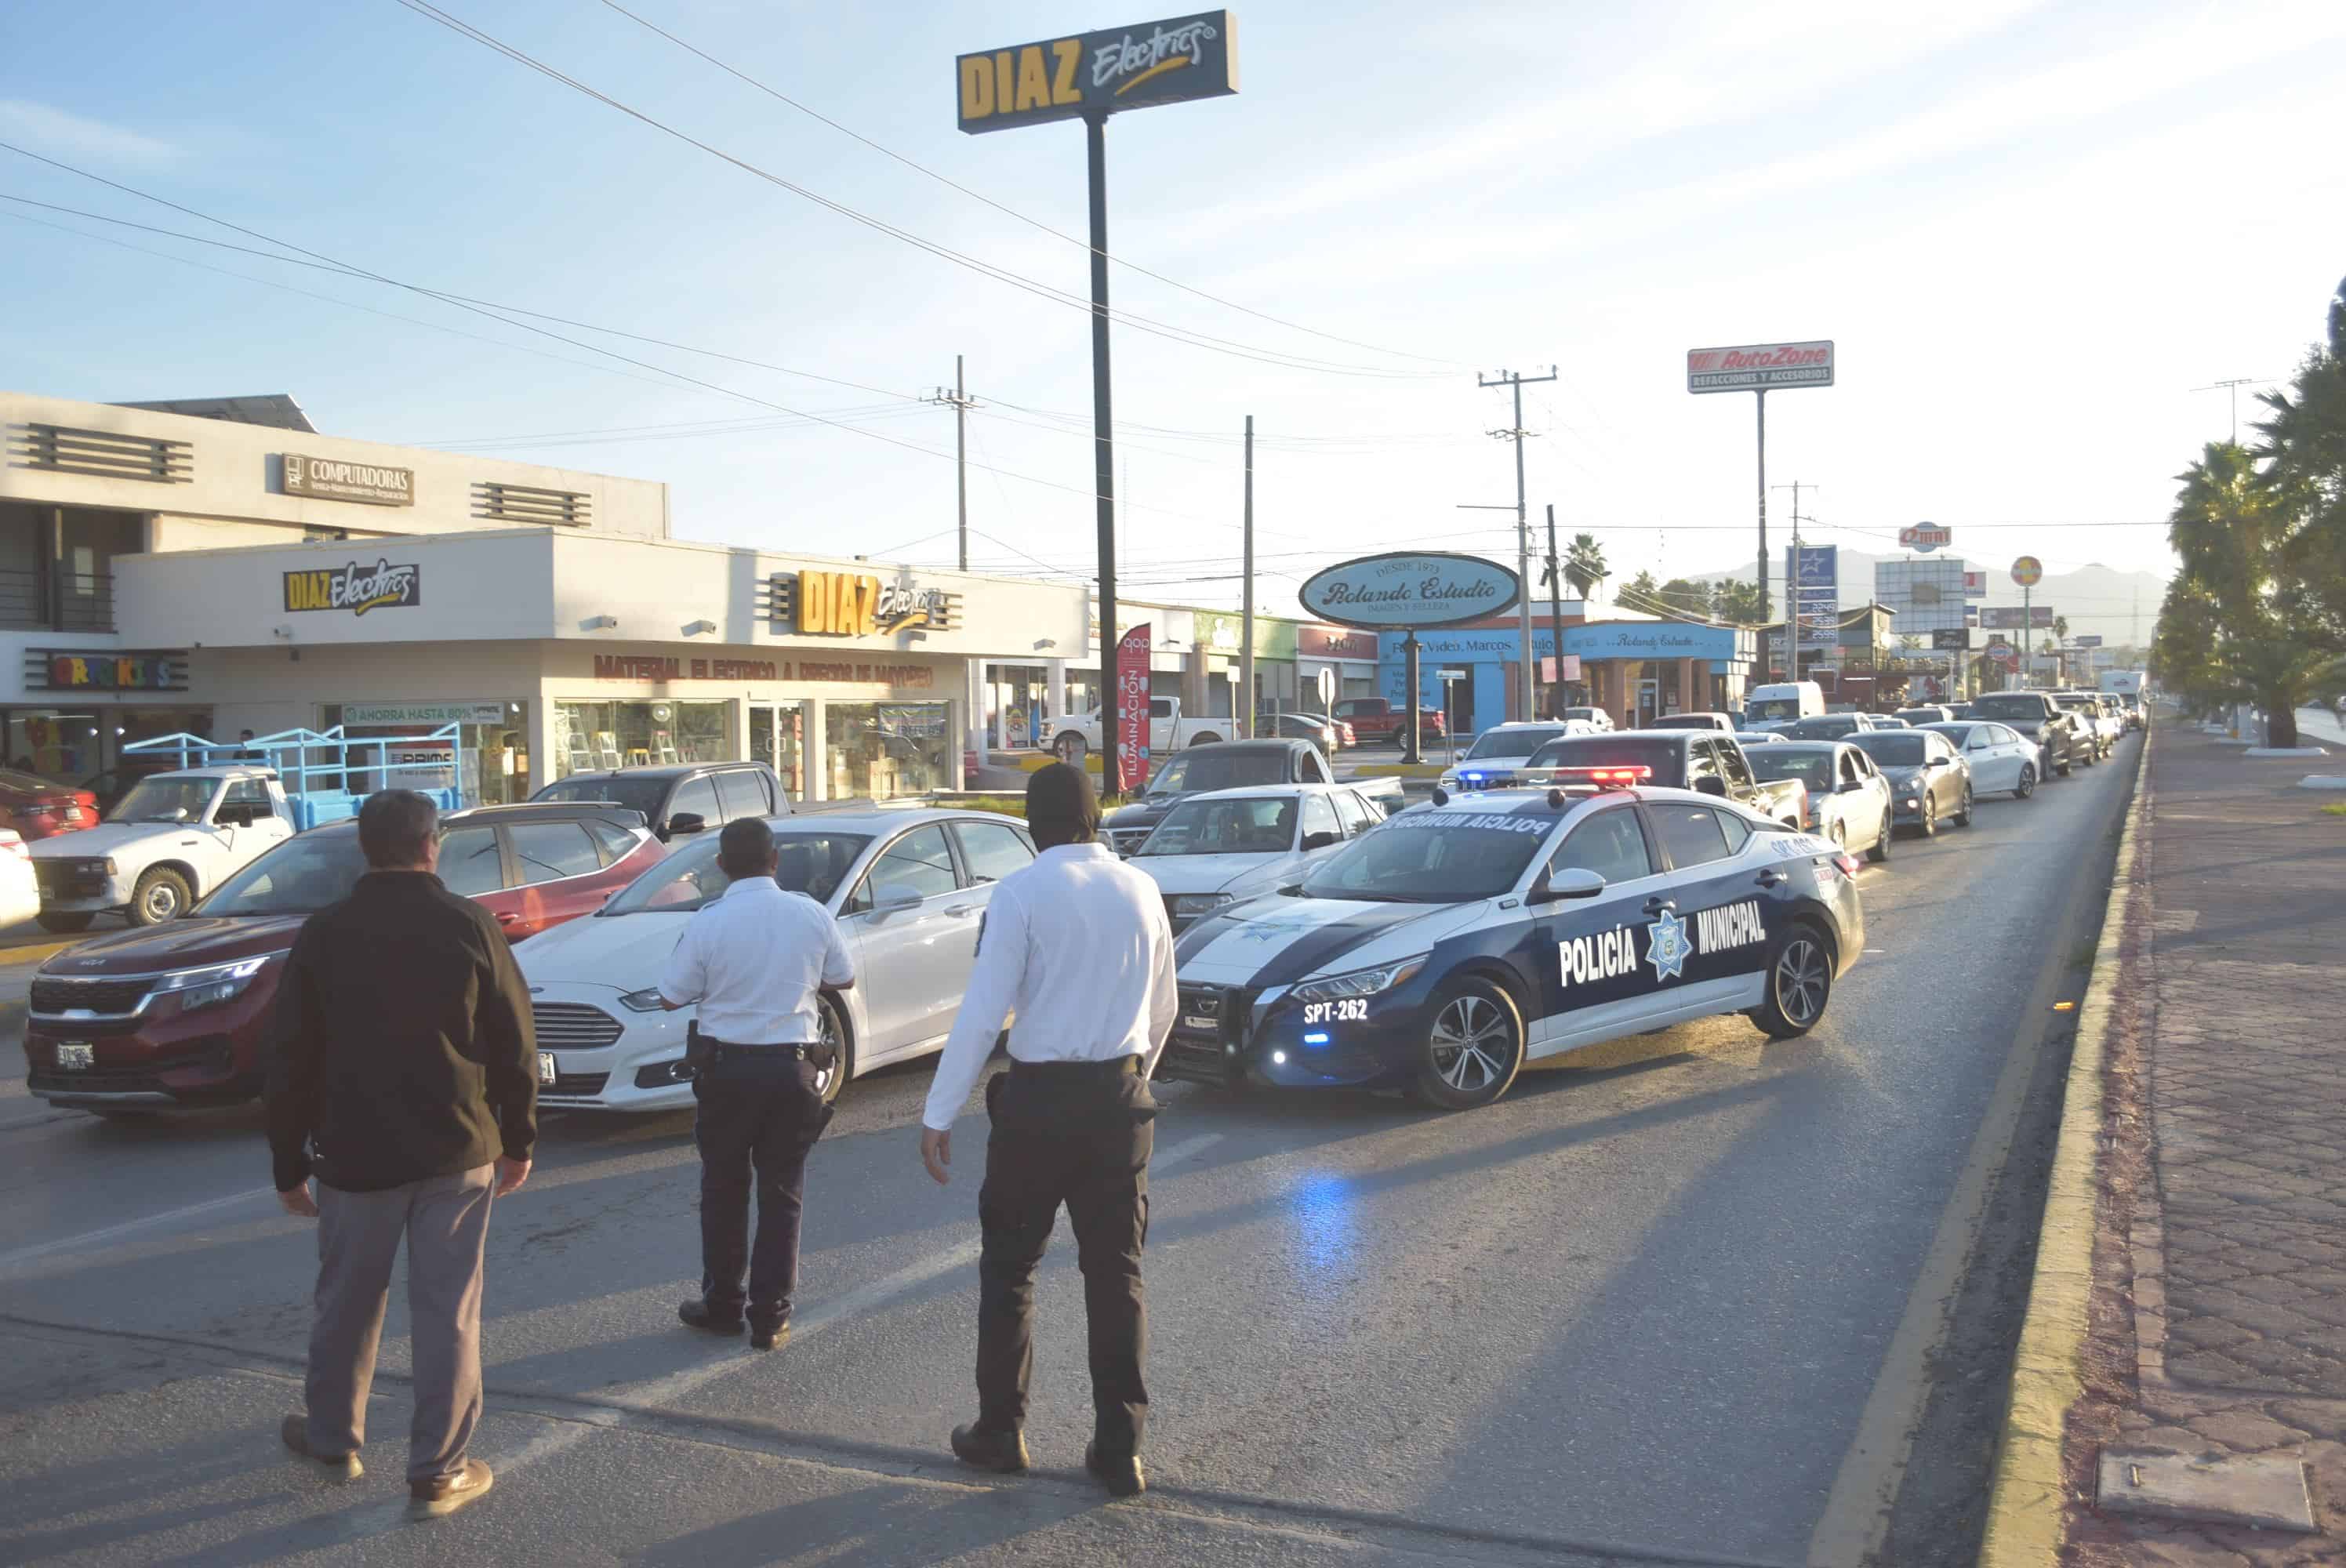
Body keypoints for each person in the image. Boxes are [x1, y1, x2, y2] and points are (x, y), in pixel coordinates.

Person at [266, 789, 536, 1520]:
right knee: (448, 1312)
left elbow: (289, 1056)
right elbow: (515, 1043)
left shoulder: (325, 932)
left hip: (355, 1156)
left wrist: (287, 1163)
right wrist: (520, 1140)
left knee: (347, 1301)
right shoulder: (470, 924)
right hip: (458, 1149)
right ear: (432, 846)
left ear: (363, 848)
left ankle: (332, 1440)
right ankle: (438, 1471)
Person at [920, 762, 1177, 1497]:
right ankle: (1119, 1447)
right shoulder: (1141, 888)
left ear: (1034, 826)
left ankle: (1001, 1432)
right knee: (1116, 1273)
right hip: (1119, 1101)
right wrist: (1134, 1080)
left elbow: (983, 1012)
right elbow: (1164, 1008)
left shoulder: (1022, 892)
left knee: (1010, 1271)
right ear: (1095, 818)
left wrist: (939, 1113)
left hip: (1036, 1106)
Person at [659, 815, 855, 1351]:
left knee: (723, 1191)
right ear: (776, 861)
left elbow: (672, 995)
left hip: (726, 1072)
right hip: (793, 1071)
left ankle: (722, 1306)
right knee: (782, 1194)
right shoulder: (811, 914)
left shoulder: (708, 921)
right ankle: (770, 1318)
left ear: (720, 866)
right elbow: (843, 976)